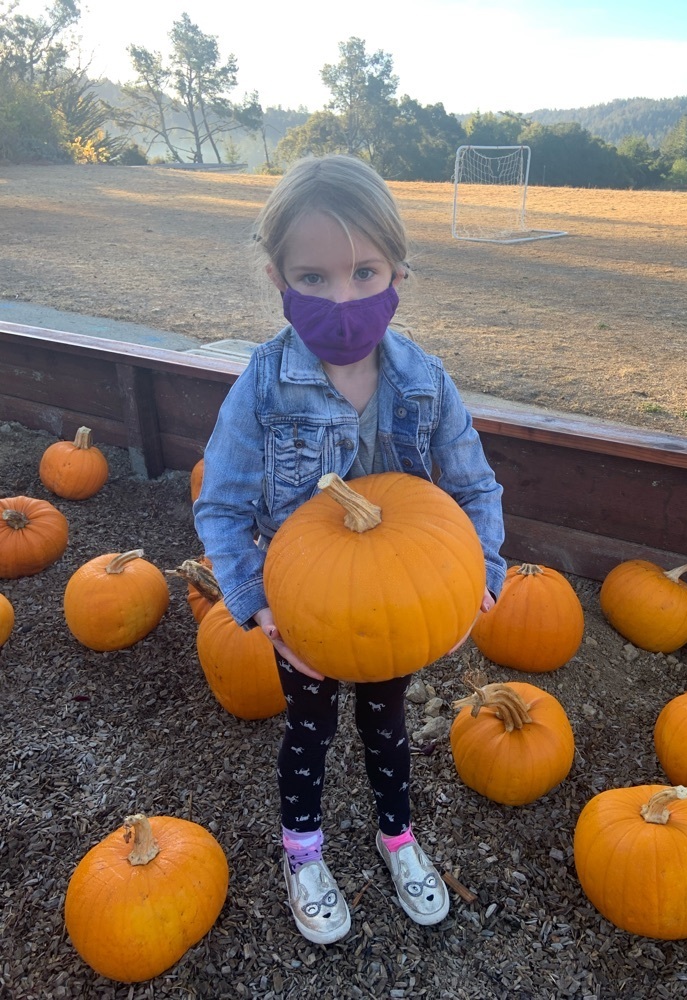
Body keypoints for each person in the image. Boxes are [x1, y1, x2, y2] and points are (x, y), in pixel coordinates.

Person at [194, 154, 506, 945]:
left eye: (366, 271)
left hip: (397, 608)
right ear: (278, 277)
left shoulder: (426, 382)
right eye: (316, 276)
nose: (344, 298)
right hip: (300, 609)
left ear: (400, 269)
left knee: (387, 725)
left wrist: (484, 579)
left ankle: (395, 838)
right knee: (309, 731)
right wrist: (255, 604)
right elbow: (222, 503)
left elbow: (475, 490)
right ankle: (304, 854)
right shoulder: (262, 385)